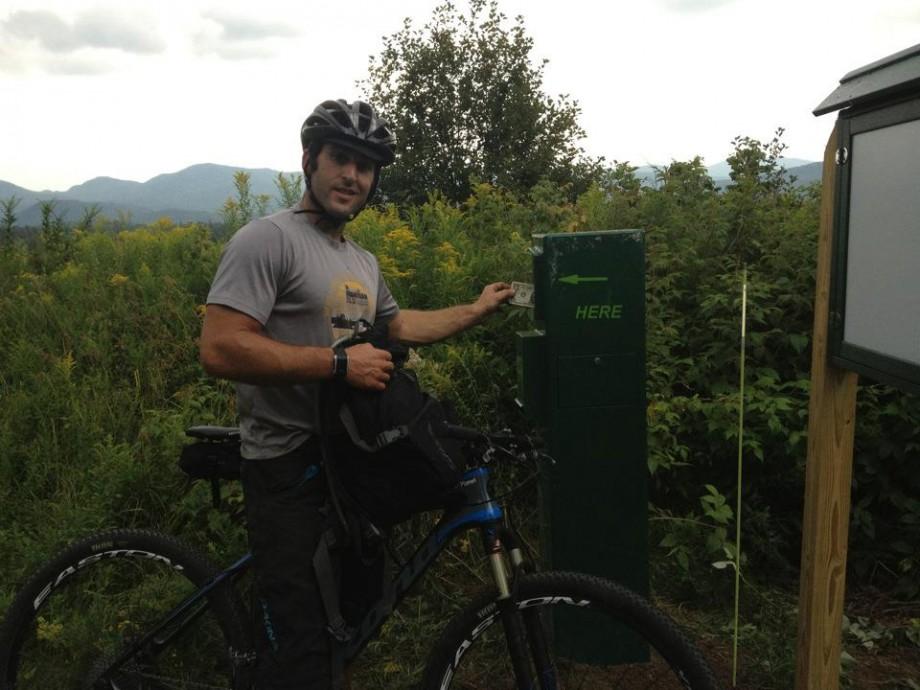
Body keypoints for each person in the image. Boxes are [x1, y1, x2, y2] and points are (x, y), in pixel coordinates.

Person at [199, 98, 514, 689]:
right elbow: (220, 348)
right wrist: (338, 365)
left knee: (347, 623)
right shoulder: (267, 240)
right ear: (308, 162)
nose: (352, 175)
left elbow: (398, 327)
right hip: (284, 464)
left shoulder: (360, 261)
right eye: (340, 159)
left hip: (345, 462)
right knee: (304, 654)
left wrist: (475, 309)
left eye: (365, 167)